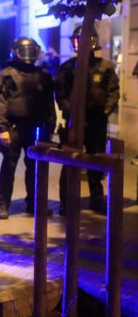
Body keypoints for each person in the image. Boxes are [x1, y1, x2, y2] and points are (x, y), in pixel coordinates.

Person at [56, 26, 119, 215]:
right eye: (78, 40)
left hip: (97, 119)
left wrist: (106, 112)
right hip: (74, 120)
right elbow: (61, 94)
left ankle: (96, 199)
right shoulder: (67, 68)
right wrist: (73, 112)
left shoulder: (105, 66)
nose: (81, 44)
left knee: (96, 158)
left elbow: (113, 92)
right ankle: (66, 203)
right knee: (69, 160)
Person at [0, 37, 57, 219]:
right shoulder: (7, 74)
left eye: (31, 51)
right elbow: (0, 103)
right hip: (13, 128)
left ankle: (34, 204)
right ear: (16, 52)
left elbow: (48, 103)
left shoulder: (43, 75)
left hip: (36, 128)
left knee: (35, 168)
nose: (28, 55)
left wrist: (50, 126)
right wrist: (2, 128)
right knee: (9, 167)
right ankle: (3, 204)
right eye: (24, 51)